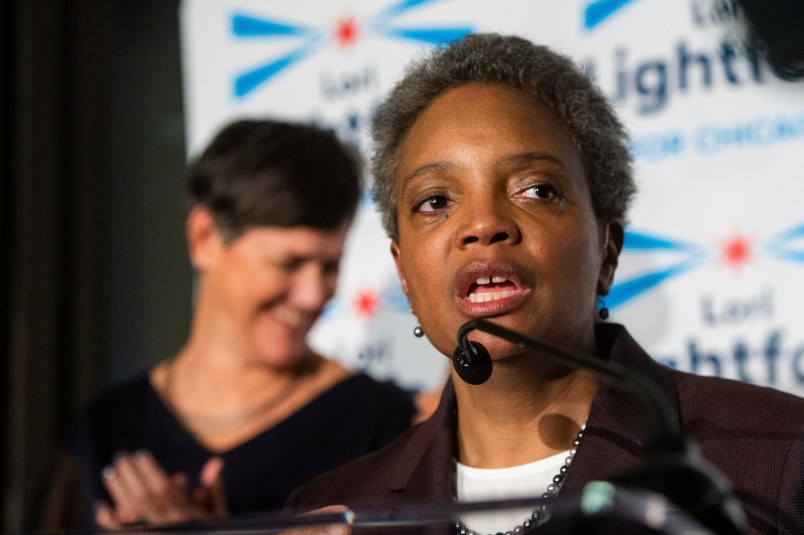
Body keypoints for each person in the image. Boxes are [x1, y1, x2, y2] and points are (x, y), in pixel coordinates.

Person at [283, 33, 804, 534]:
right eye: (435, 201)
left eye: (536, 189)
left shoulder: (777, 456)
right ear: (404, 273)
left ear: (607, 250)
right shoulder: (339, 511)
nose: (484, 224)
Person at [39, 119, 418, 529]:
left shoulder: (382, 427)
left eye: (329, 266)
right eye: (287, 263)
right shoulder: (102, 433)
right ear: (205, 237)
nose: (313, 294)